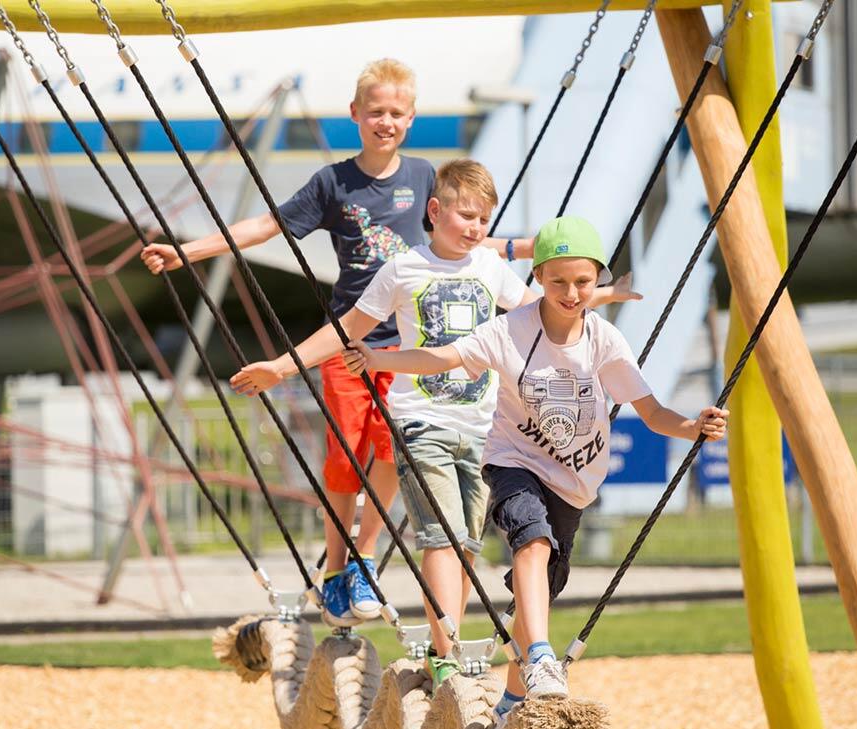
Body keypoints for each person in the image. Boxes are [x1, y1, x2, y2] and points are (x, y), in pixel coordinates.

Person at [140, 60, 531, 627]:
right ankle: (336, 569)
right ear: (355, 114)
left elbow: (465, 235)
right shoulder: (334, 183)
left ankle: (364, 558)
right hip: (353, 338)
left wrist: (530, 249)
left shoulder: (424, 176)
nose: (385, 121)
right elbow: (268, 226)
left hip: (411, 347)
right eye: (376, 112)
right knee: (346, 457)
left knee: (395, 450)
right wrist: (188, 251)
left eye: (396, 112)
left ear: (411, 118)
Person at [231, 164, 638, 679]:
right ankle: (446, 655)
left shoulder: (491, 269)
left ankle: (447, 649)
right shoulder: (403, 269)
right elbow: (347, 327)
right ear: (435, 211)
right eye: (466, 216)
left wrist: (601, 294)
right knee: (441, 537)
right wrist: (281, 367)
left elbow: (551, 307)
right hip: (420, 419)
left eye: (484, 220)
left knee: (467, 544)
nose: (475, 228)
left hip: (483, 429)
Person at [341, 215, 728, 724]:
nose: (571, 293)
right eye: (558, 281)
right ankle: (542, 657)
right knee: (532, 541)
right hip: (514, 461)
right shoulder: (510, 330)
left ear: (597, 281)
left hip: (574, 481)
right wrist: (378, 359)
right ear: (538, 277)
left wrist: (693, 426)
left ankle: (512, 698)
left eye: (583, 282)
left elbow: (652, 413)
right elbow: (442, 357)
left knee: (541, 588)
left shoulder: (604, 340)